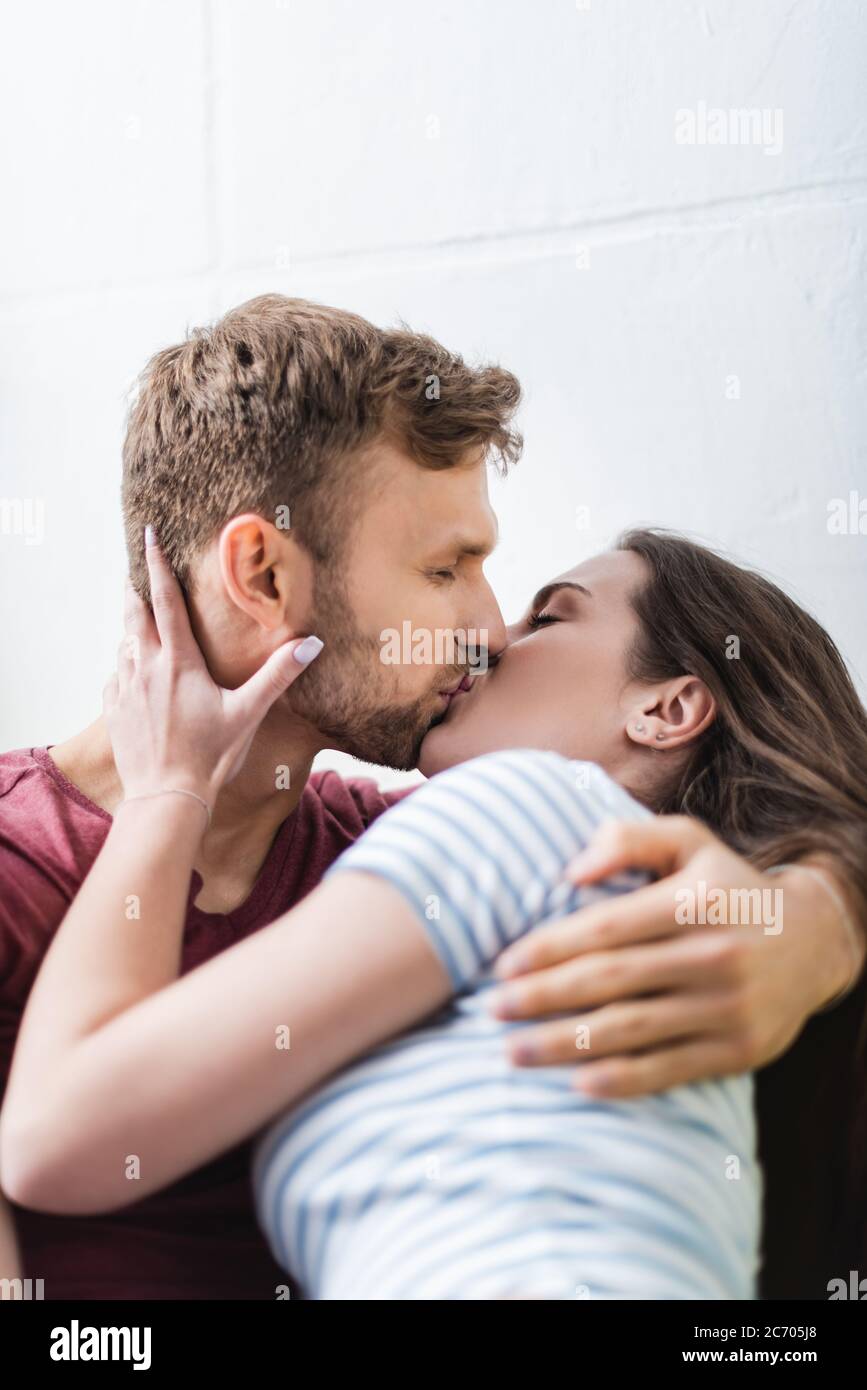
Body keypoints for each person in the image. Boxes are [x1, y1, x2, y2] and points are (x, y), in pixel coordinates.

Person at [0, 295, 861, 1298]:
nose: (489, 628)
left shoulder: (404, 851)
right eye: (446, 568)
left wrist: (814, 921)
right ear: (264, 572)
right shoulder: (21, 861)